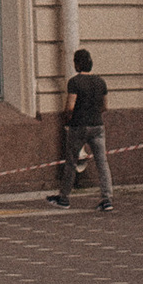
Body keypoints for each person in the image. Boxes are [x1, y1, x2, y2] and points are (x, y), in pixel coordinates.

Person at [53, 48, 113, 209]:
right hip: (97, 125)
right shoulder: (100, 82)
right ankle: (107, 199)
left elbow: (70, 106)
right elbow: (105, 106)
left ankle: (64, 197)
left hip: (78, 125)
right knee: (102, 162)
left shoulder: (74, 82)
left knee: (71, 162)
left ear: (77, 64)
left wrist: (68, 118)